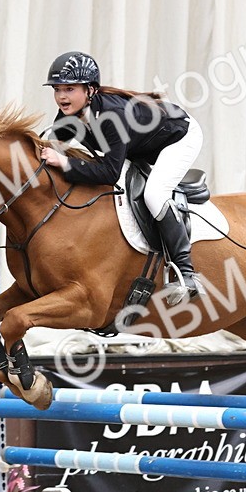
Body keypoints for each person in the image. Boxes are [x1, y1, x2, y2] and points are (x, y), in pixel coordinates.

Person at [38, 51, 204, 304]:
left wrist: (64, 162)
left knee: (154, 194)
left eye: (69, 89)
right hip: (142, 145)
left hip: (178, 137)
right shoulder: (67, 116)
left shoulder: (112, 117)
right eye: (57, 89)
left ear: (90, 90)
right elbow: (49, 149)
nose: (61, 96)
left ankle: (187, 273)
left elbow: (108, 172)